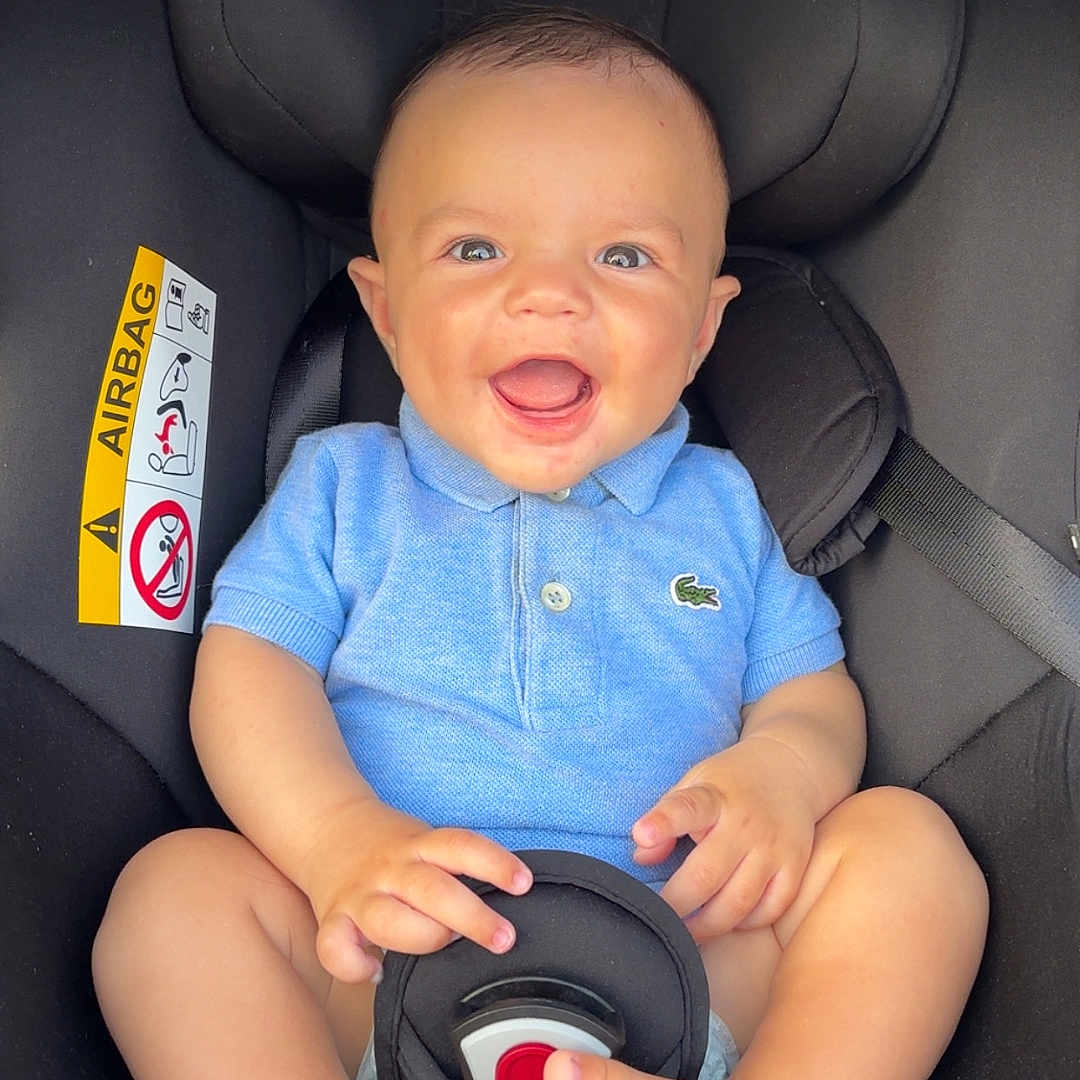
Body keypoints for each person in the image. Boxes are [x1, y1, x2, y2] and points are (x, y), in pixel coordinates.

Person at [92, 9, 988, 1080]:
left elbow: (808, 689)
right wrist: (337, 840)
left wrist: (783, 773)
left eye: (624, 254)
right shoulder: (344, 485)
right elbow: (249, 670)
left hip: (682, 957)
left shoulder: (721, 503)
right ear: (384, 310)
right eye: (475, 248)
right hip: (379, 961)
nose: (551, 293)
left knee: (909, 856)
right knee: (175, 895)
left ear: (703, 329)